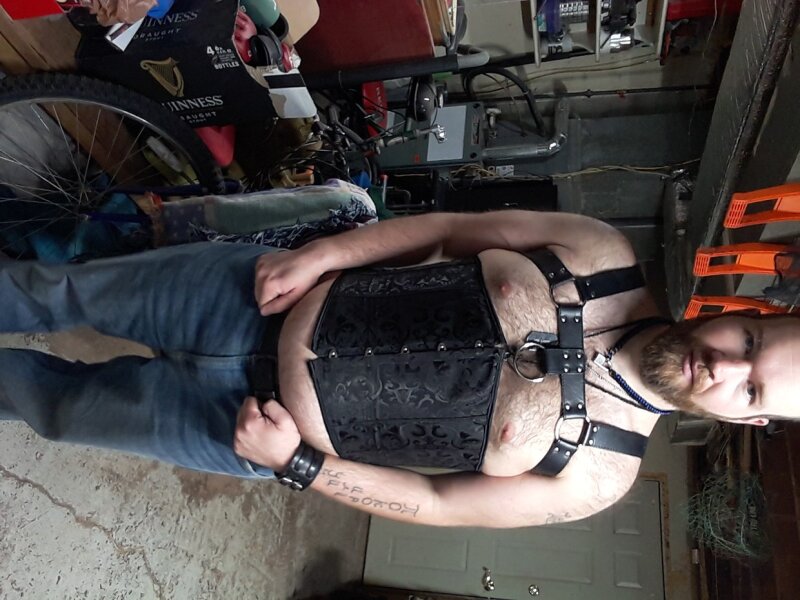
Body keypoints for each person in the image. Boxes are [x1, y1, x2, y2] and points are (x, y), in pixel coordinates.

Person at [1, 210, 797, 529]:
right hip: (250, 297)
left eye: (751, 386)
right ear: (748, 313)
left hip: (249, 430)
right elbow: (451, 231)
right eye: (750, 342)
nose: (724, 365)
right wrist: (324, 253)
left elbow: (437, 503)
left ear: (750, 417)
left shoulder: (600, 477)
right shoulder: (601, 252)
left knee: (59, 411)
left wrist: (298, 465)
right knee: (56, 289)